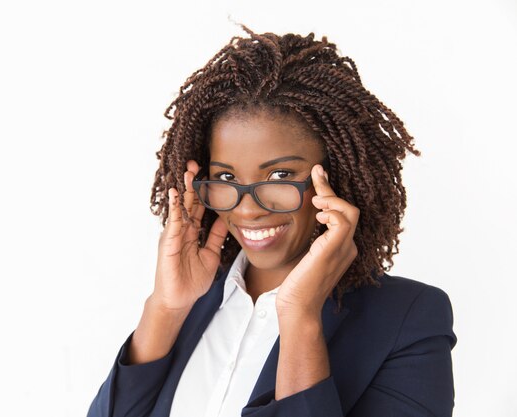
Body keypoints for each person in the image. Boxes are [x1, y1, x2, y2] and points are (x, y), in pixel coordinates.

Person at [86, 25, 457, 417]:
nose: (247, 210)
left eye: (279, 176)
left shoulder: (408, 318)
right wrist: (166, 308)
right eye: (227, 178)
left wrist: (300, 317)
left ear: (334, 177)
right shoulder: (193, 301)